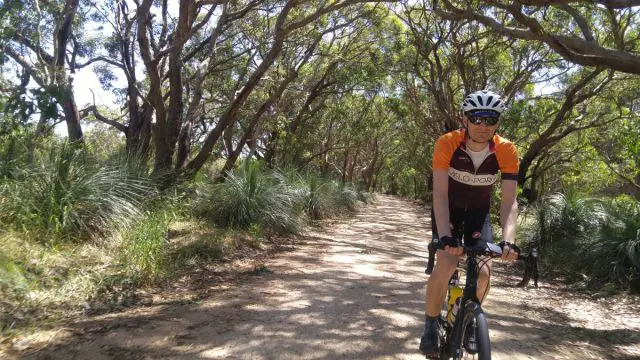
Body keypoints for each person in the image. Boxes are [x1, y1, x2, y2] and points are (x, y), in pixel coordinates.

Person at [420, 90, 520, 357]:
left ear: (498, 122)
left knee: (484, 272)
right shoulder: (447, 143)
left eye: (490, 118)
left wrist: (509, 239)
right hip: (448, 211)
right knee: (447, 262)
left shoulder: (507, 150)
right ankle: (430, 324)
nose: (482, 125)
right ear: (464, 118)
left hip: (478, 213)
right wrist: (445, 236)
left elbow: (509, 201)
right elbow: (439, 194)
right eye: (476, 117)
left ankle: (469, 321)